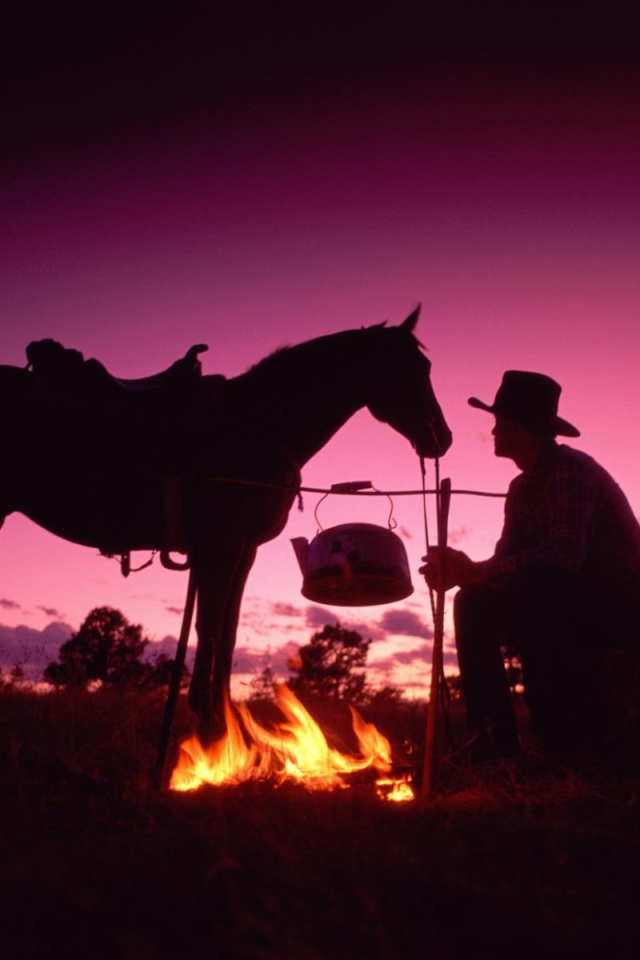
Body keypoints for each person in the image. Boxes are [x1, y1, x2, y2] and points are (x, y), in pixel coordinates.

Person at [422, 370, 640, 761]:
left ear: (518, 428)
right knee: (472, 601)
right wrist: (463, 572)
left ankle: (567, 737)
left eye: (497, 423)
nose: (492, 432)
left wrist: (475, 571)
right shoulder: (521, 489)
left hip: (623, 599)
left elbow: (562, 556)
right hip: (568, 595)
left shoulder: (570, 470)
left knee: (539, 585)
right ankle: (492, 735)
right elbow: (506, 562)